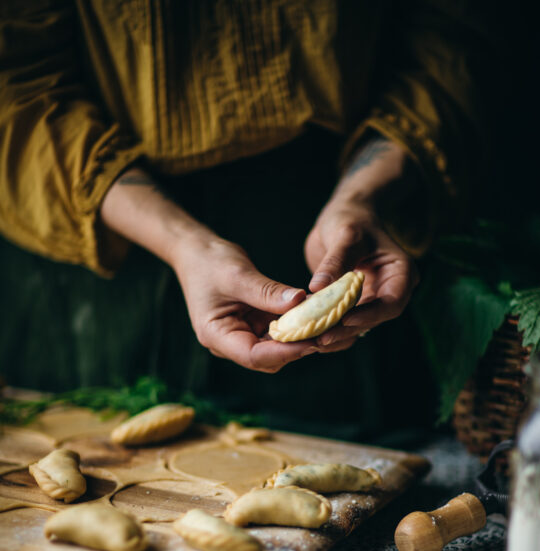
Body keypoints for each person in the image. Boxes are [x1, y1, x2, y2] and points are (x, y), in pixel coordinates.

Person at [0, 1, 488, 432]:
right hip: (99, 260)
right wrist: (184, 245)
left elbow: (446, 39)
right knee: (89, 453)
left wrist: (362, 195)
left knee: (356, 488)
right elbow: (14, 83)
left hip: (335, 223)